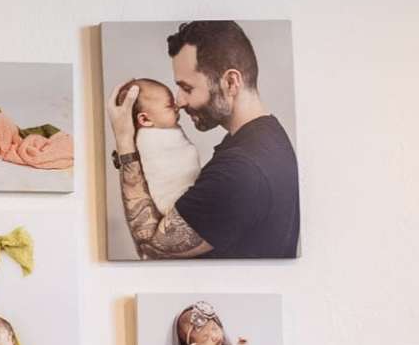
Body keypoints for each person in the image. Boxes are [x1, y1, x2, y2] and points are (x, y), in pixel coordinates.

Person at [110, 20, 299, 259]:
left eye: (187, 88)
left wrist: (125, 141)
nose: (178, 101)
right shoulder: (264, 139)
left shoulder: (240, 170)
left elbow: (150, 248)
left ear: (231, 82)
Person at [109, 77, 205, 215]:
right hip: (171, 201)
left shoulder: (161, 130)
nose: (177, 106)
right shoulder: (146, 140)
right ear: (145, 119)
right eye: (169, 105)